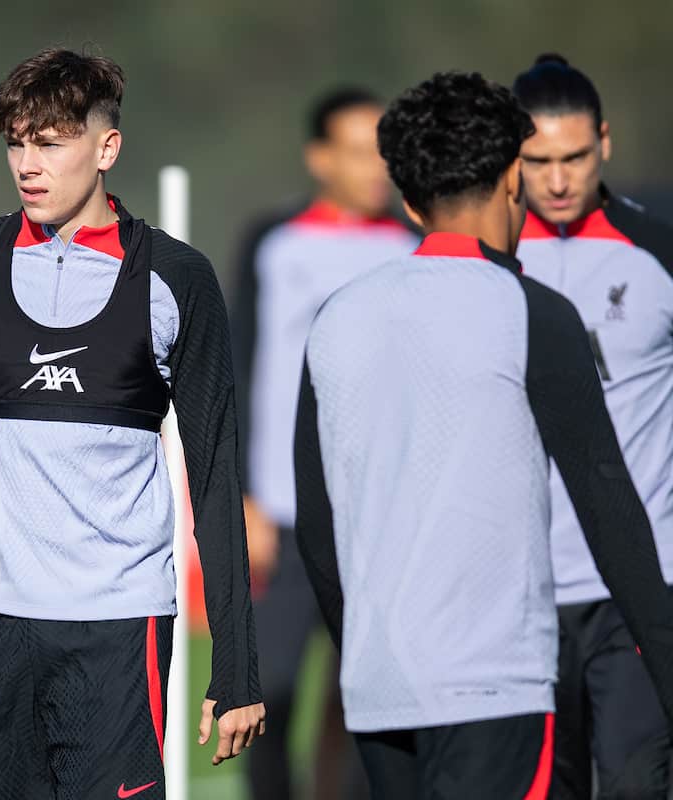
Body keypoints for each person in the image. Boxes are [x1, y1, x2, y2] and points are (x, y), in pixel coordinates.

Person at [0, 48, 264, 799]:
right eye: (16, 141)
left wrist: (237, 669)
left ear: (106, 147)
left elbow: (217, 477)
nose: (27, 163)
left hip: (118, 633)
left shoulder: (176, 279)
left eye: (50, 141)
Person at [293, 71, 673, 798]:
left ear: (407, 201)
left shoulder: (337, 316)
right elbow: (612, 514)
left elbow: (319, 529)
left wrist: (362, 659)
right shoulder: (534, 311)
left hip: (379, 692)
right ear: (511, 180)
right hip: (495, 690)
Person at [231, 86, 416, 800]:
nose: (377, 166)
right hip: (281, 514)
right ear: (318, 157)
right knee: (265, 697)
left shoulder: (414, 243)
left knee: (376, 708)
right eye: (359, 149)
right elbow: (238, 369)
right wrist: (241, 498)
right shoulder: (273, 244)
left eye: (386, 150)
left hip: (381, 523)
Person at [513, 53, 673, 799]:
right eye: (537, 160)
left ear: (604, 141)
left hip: (641, 582)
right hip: (519, 588)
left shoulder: (658, 253)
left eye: (574, 156)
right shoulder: (488, 262)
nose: (557, 179)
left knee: (639, 782)